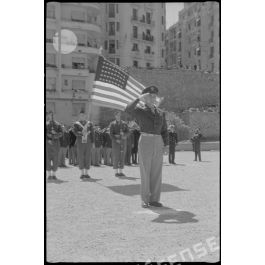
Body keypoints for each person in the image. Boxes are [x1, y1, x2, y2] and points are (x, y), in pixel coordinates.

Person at [125, 85, 168, 208]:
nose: (153, 98)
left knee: (156, 171)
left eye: (155, 96)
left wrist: (166, 145)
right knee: (145, 171)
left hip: (158, 141)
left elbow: (164, 130)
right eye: (150, 96)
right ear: (145, 97)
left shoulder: (161, 112)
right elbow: (127, 109)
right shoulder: (139, 110)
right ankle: (145, 199)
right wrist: (138, 98)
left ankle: (154, 199)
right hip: (146, 140)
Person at [73, 109, 95, 179]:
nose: (82, 116)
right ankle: (82, 173)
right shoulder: (76, 124)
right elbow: (75, 132)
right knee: (81, 156)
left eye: (84, 115)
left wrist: (93, 142)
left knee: (88, 157)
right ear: (79, 116)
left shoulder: (89, 123)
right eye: (81, 115)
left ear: (85, 116)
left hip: (88, 142)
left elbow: (92, 133)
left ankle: (87, 173)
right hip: (80, 142)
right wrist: (81, 133)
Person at [109, 110, 129, 177]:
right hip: (115, 142)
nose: (118, 116)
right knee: (116, 156)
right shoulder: (112, 124)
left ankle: (121, 171)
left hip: (123, 141)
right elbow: (111, 134)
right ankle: (116, 172)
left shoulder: (124, 123)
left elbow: (128, 132)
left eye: (119, 115)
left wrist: (124, 134)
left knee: (122, 156)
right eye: (117, 115)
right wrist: (115, 140)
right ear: (115, 116)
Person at [46, 111, 63, 180]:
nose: (50, 116)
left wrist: (55, 135)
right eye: (49, 115)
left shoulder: (58, 124)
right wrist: (49, 136)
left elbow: (61, 133)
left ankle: (54, 174)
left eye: (52, 115)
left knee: (55, 159)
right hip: (47, 143)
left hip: (56, 144)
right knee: (47, 159)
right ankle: (49, 175)